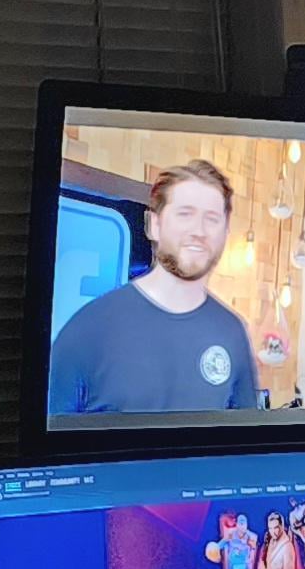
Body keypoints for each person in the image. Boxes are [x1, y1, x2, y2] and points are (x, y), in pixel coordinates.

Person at [48, 160, 262, 417]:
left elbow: (241, 438)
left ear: (225, 233)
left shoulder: (232, 331)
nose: (199, 231)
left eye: (212, 218)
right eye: (185, 214)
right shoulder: (87, 329)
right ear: (154, 225)